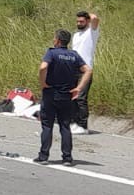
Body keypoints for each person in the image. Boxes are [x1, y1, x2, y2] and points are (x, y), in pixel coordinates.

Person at [37, 29, 92, 165]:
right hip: (67, 95)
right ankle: (67, 157)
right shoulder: (73, 55)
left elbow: (43, 67)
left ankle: (44, 156)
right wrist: (79, 88)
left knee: (47, 125)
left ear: (58, 40)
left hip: (51, 93)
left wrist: (43, 82)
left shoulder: (52, 53)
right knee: (65, 126)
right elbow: (88, 70)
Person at [70, 10, 100, 134]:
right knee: (73, 97)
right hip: (73, 69)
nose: (79, 23)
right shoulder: (76, 35)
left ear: (87, 21)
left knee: (81, 98)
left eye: (82, 21)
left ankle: (83, 126)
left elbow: (95, 18)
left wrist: (88, 15)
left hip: (85, 71)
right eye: (77, 21)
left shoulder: (91, 32)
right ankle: (74, 123)